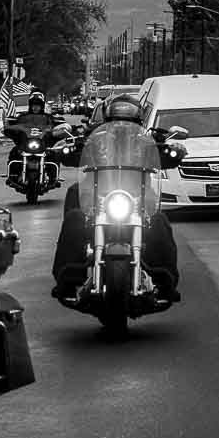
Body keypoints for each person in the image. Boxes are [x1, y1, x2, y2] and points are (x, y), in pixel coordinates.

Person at [51, 95, 183, 303]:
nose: (122, 126)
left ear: (138, 120)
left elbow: (167, 155)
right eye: (117, 120)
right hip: (98, 194)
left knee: (159, 222)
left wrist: (173, 151)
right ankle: (67, 279)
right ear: (108, 118)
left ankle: (166, 281)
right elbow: (74, 152)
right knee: (75, 219)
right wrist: (66, 149)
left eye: (128, 121)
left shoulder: (147, 142)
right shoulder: (95, 140)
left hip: (138, 195)